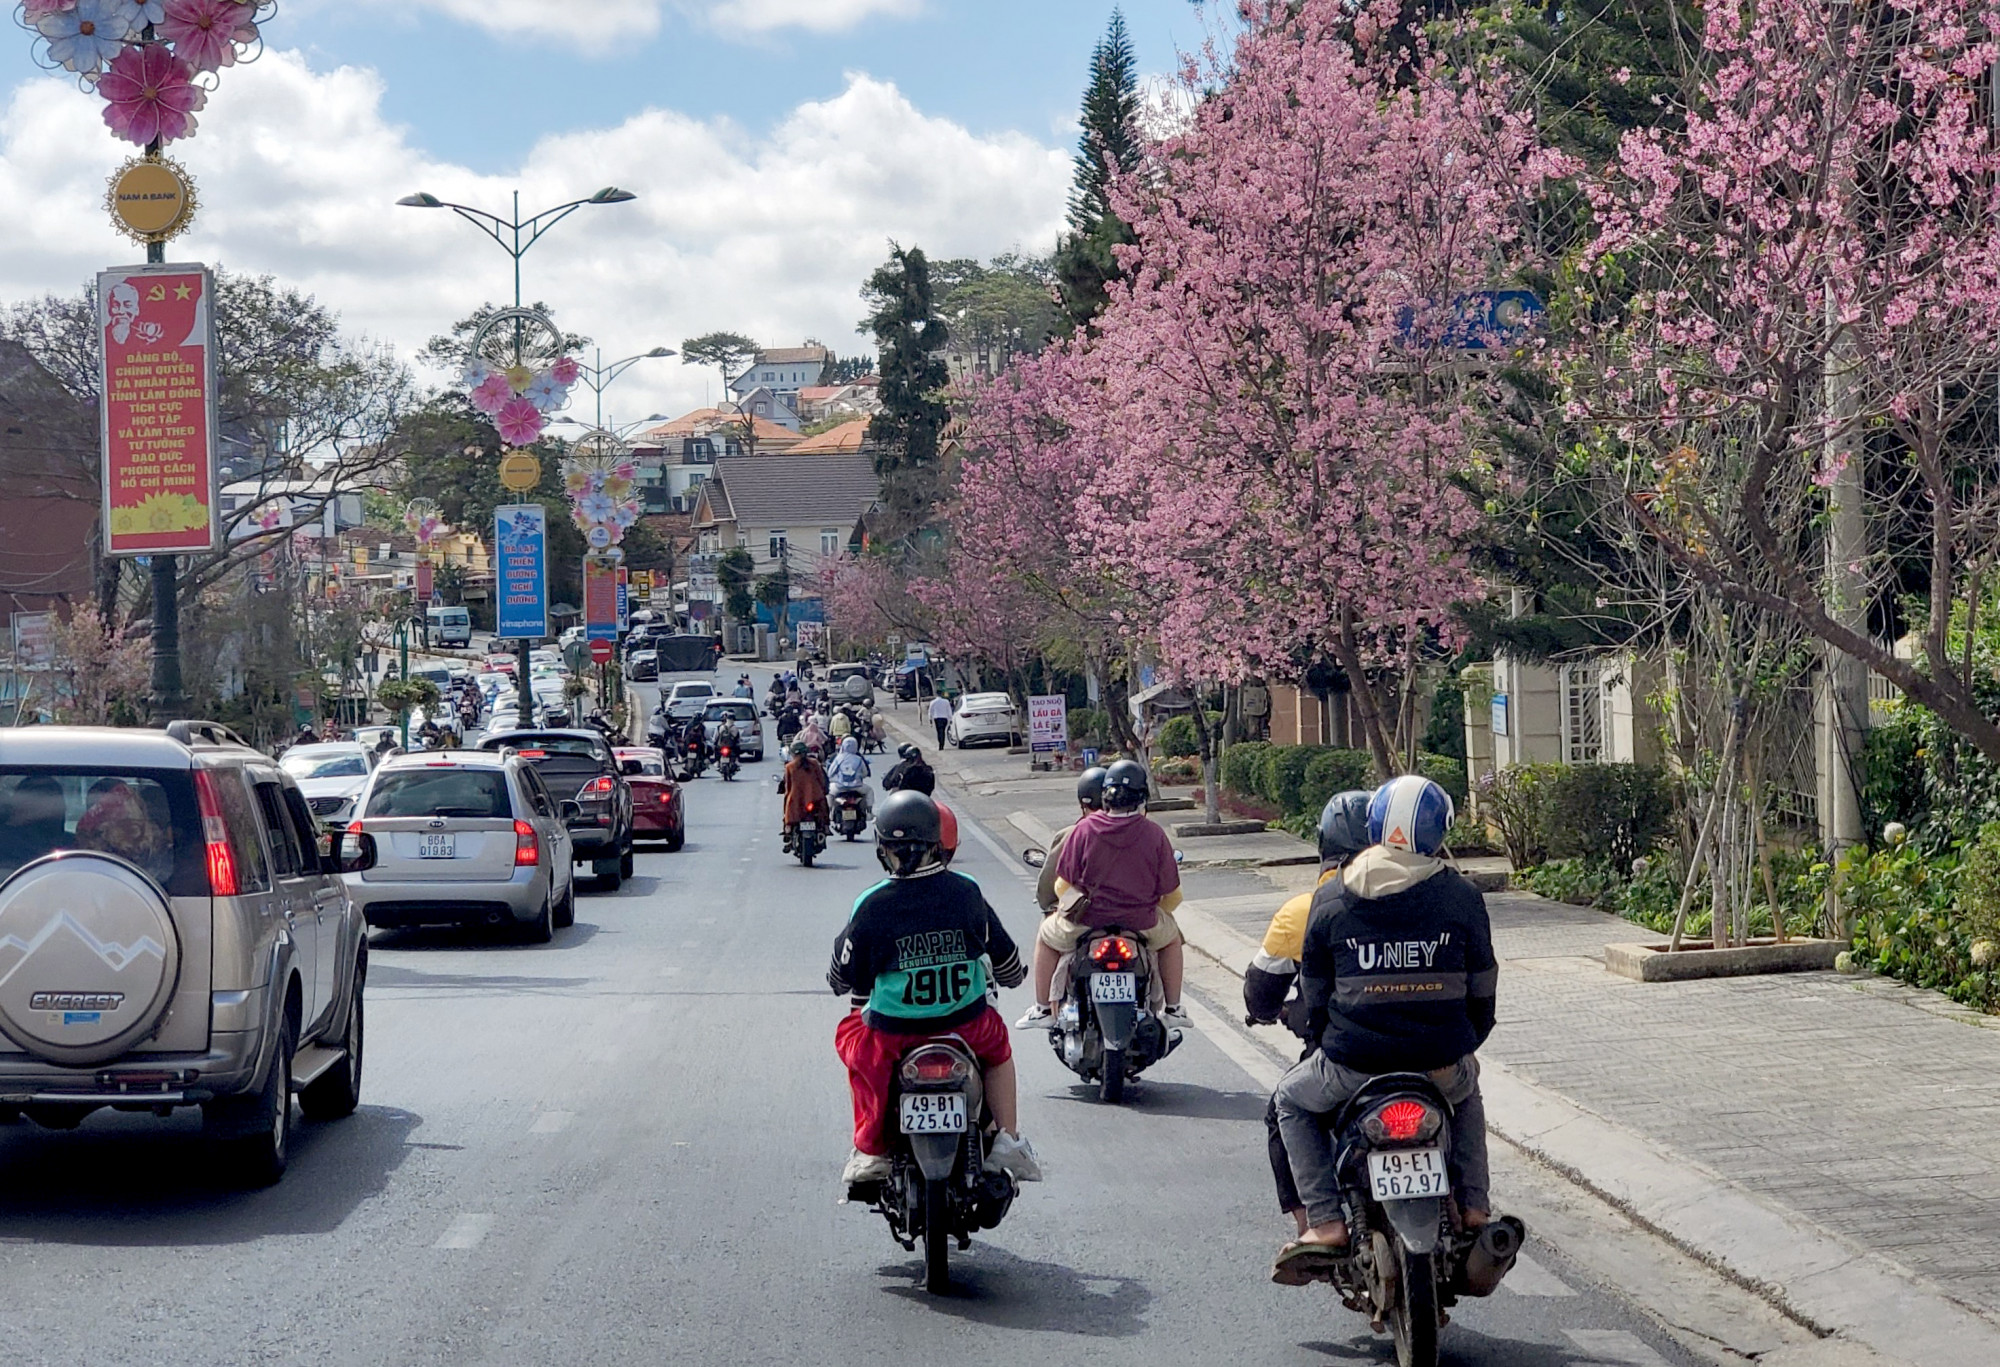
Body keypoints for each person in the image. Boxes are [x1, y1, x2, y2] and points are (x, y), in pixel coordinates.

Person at [1271, 775, 1496, 1282]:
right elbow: (1484, 990)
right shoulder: (1461, 897)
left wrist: (1337, 1040)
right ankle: (1475, 1208)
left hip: (1353, 1065)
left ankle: (1326, 1223)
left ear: (1375, 827)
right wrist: (1461, 1042)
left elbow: (1316, 991)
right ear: (1441, 831)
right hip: (1438, 1064)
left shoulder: (1331, 899)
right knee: (1467, 1090)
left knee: (1290, 1100)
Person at [828, 791, 1040, 1187]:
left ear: (883, 848)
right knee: (999, 1054)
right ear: (936, 844)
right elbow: (1006, 959)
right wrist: (1012, 977)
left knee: (857, 1050)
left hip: (893, 1031)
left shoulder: (872, 903)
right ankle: (1008, 1139)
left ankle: (872, 1149)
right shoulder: (966, 891)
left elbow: (843, 972)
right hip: (968, 1024)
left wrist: (841, 983)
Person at [1244, 790, 1374, 1239]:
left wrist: (1267, 1010)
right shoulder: (1419, 900)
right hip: (1431, 1052)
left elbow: (1260, 991)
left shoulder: (1305, 910)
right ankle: (1466, 1205)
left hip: (1343, 1056)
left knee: (1285, 1107)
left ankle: (1317, 1224)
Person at [1015, 759, 1189, 1028]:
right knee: (1172, 940)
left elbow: (1062, 886)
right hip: (1142, 923)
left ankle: (1042, 1010)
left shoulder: (1084, 829)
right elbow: (1173, 895)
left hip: (1085, 922)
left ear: (1105, 797)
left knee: (1046, 936)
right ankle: (1175, 1009)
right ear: (1142, 799)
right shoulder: (1154, 834)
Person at [1035, 766, 1106, 915]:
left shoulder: (1071, 834)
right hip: (1137, 919)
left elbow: (1047, 894)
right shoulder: (1139, 831)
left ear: (1083, 804)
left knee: (1045, 931)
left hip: (1083, 918)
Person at [778, 740, 830, 848]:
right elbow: (821, 781)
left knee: (787, 807)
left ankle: (788, 828)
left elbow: (788, 787)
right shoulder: (815, 763)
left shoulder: (789, 767)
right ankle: (825, 826)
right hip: (815, 797)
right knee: (824, 807)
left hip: (797, 800)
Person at [826, 735, 872, 821]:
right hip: (857, 787)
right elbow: (865, 773)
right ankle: (869, 813)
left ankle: (830, 813)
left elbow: (830, 773)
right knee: (869, 791)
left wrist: (837, 779)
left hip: (839, 787)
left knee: (829, 793)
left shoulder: (838, 758)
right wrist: (858, 777)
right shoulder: (859, 759)